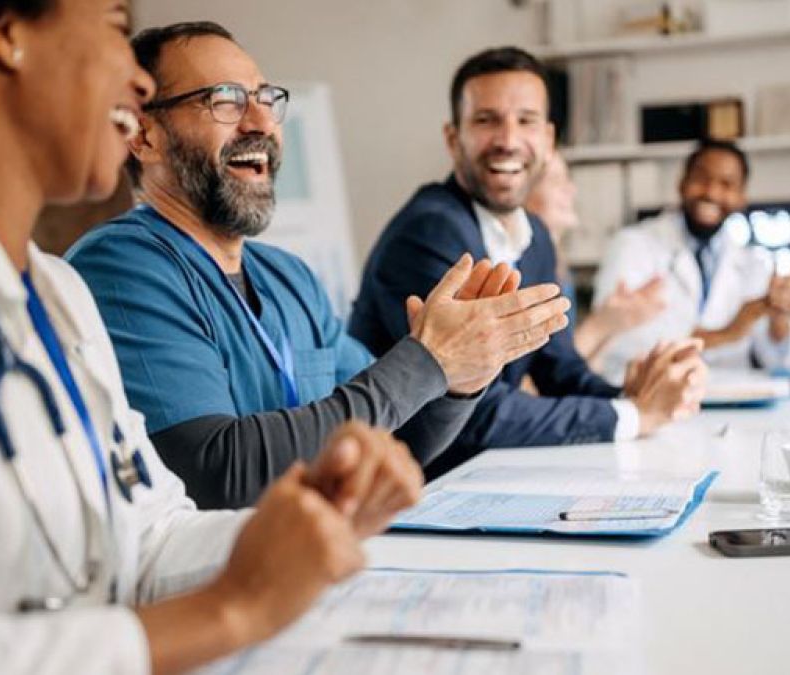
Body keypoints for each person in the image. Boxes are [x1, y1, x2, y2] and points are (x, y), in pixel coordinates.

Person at [0, 2, 422, 673]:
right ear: (4, 28)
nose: (142, 84)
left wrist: (309, 519)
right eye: (115, 27)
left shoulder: (56, 292)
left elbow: (147, 540)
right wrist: (229, 609)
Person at [66, 23, 570, 506]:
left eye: (266, 99)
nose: (262, 123)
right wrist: (426, 361)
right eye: (225, 101)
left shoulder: (289, 278)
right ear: (144, 135)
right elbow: (216, 472)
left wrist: (460, 379)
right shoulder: (121, 268)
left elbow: (398, 443)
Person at [349, 46, 706, 479]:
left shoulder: (533, 235)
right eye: (486, 120)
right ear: (452, 138)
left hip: (484, 471)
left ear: (549, 140)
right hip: (412, 487)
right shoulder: (430, 232)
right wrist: (632, 416)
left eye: (526, 120)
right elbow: (475, 408)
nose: (507, 140)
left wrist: (635, 394)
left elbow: (558, 367)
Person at [593, 139, 790, 380]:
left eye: (726, 184)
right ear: (682, 183)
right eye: (702, 179)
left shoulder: (752, 265)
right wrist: (725, 334)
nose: (711, 192)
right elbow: (613, 338)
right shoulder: (633, 245)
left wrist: (779, 322)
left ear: (741, 197)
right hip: (648, 400)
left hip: (732, 406)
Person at [524, 150, 666, 367]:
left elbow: (577, 372)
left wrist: (616, 324)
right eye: (554, 180)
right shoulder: (520, 273)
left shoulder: (559, 268)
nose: (570, 189)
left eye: (567, 179)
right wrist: (600, 326)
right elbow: (529, 386)